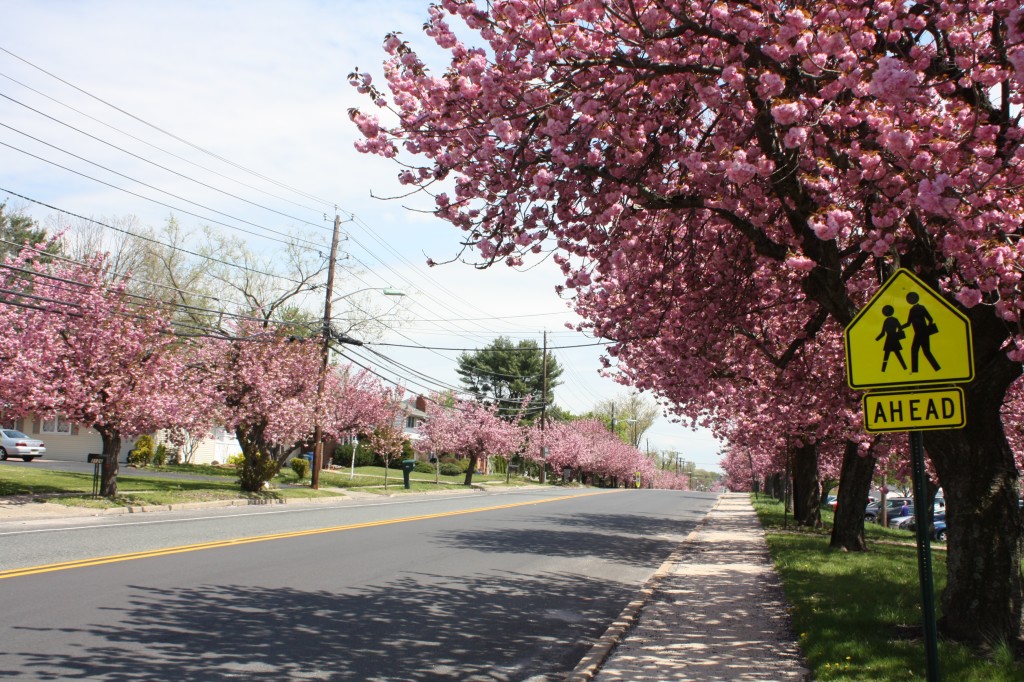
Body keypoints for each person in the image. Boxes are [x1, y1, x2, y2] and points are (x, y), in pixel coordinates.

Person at [901, 291, 941, 373]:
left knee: (915, 350)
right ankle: (937, 368)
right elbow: (930, 319)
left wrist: (901, 327)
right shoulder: (918, 308)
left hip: (919, 334)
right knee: (926, 351)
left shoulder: (914, 310)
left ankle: (915, 370)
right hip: (923, 333)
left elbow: (909, 323)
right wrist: (927, 329)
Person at [875, 304, 907, 372]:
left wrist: (876, 339)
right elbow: (900, 328)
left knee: (887, 356)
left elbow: (882, 333)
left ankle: (883, 370)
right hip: (894, 339)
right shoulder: (894, 320)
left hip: (889, 340)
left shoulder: (886, 321)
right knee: (897, 355)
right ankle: (904, 368)